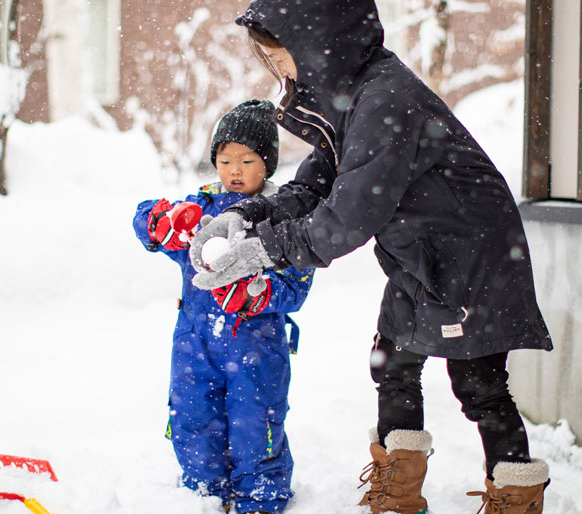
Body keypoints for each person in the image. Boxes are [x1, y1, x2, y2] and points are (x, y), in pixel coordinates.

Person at [189, 2, 553, 514]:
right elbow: (319, 182)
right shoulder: (355, 96)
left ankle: (516, 498)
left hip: (471, 259)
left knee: (480, 385)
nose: (282, 72)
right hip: (420, 257)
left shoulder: (386, 100)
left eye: (283, 59)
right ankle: (398, 493)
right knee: (393, 364)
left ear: (319, 46)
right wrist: (253, 214)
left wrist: (267, 250)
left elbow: (348, 217)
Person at [133, 99, 314, 514]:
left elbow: (296, 286)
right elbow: (144, 220)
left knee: (256, 426)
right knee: (194, 422)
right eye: (225, 159)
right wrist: (162, 221)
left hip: (257, 349)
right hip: (194, 345)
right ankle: (203, 498)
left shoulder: (282, 217)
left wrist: (257, 292)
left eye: (247, 160)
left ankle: (260, 500)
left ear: (266, 164)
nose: (234, 170)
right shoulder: (199, 210)